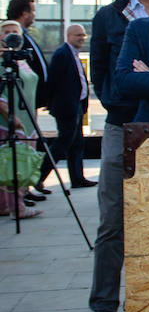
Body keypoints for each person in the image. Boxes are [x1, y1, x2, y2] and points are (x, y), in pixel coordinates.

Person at [86, 0, 149, 312]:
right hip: (122, 127)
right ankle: (102, 310)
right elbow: (105, 78)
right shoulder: (108, 18)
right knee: (112, 224)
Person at [36, 24, 95, 190]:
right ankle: (39, 176)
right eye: (78, 35)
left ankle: (77, 178)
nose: (82, 38)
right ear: (69, 36)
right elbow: (53, 82)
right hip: (66, 108)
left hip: (76, 106)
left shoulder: (73, 54)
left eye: (83, 35)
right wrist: (54, 105)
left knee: (77, 144)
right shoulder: (62, 54)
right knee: (62, 144)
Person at [0, 20, 43, 218]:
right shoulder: (2, 62)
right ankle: (16, 207)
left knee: (23, 162)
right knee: (13, 164)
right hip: (10, 120)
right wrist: (10, 115)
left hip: (27, 118)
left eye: (14, 32)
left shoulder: (21, 59)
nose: (11, 36)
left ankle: (8, 204)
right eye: (7, 32)